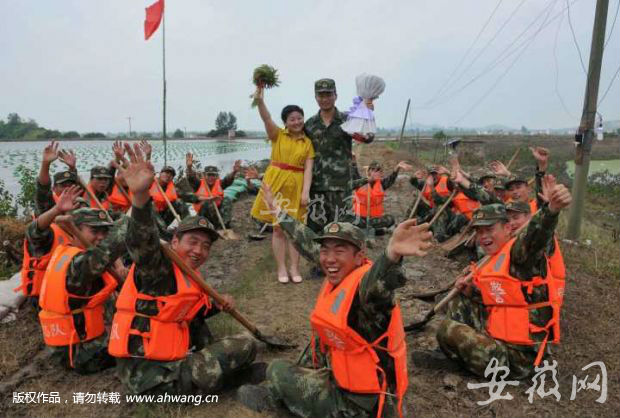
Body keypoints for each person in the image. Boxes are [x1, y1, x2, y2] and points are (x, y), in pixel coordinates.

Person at [237, 183, 432, 418]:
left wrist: (391, 256)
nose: (329, 259)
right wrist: (278, 212)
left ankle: (278, 401)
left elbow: (379, 283)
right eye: (325, 250)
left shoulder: (366, 291)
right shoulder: (340, 271)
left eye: (340, 251)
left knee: (277, 370)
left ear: (360, 257)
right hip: (356, 387)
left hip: (361, 407)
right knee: (321, 334)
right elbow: (308, 241)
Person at [109, 143, 258, 395]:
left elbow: (188, 307)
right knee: (246, 346)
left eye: (206, 246)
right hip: (152, 378)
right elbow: (141, 241)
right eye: (193, 242)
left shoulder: (186, 274)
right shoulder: (157, 268)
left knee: (237, 345)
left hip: (161, 364)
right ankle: (216, 382)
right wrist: (141, 198)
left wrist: (218, 304)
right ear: (175, 241)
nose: (199, 251)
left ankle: (213, 375)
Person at [436, 176, 571, 379]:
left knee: (446, 329)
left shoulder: (520, 254)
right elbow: (503, 299)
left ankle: (469, 363)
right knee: (462, 298)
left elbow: (537, 236)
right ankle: (464, 356)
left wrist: (550, 210)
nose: (483, 237)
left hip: (521, 359)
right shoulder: (496, 255)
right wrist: (470, 291)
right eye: (479, 231)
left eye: (489, 229)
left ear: (507, 228)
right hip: (502, 339)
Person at [37, 202, 127, 374]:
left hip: (65, 347)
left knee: (108, 296)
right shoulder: (78, 264)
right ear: (75, 230)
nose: (100, 237)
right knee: (143, 345)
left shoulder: (66, 253)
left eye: (104, 232)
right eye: (94, 231)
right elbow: (112, 247)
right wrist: (137, 208)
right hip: (82, 355)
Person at [249, 84, 315, 284]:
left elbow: (309, 169)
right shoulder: (278, 135)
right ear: (285, 122)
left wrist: (306, 192)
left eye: (299, 118)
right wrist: (260, 100)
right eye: (292, 119)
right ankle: (281, 268)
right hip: (275, 185)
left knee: (293, 229)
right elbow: (266, 118)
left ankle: (295, 267)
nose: (297, 122)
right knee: (278, 229)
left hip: (295, 187)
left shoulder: (308, 142)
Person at [304, 78, 374, 235]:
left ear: (336, 96)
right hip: (316, 187)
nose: (325, 99)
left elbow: (368, 138)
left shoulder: (347, 120)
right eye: (321, 95)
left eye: (328, 94)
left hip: (341, 186)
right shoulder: (309, 125)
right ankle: (319, 259)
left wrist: (367, 115)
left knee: (341, 230)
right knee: (316, 230)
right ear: (316, 97)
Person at [351, 160, 412, 233]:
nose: (378, 173)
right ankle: (376, 231)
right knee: (352, 221)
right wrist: (353, 160)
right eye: (375, 171)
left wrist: (398, 167)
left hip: (374, 219)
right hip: (359, 218)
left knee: (390, 219)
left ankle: (372, 230)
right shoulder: (360, 182)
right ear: (370, 171)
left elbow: (391, 178)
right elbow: (354, 173)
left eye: (379, 171)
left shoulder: (382, 184)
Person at [184, 156, 238, 228]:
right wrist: (189, 168)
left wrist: (234, 172)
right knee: (207, 203)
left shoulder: (220, 183)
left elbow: (228, 180)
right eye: (209, 175)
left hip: (216, 213)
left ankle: (224, 225)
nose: (211, 178)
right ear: (204, 175)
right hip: (202, 214)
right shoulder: (198, 184)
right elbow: (191, 178)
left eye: (213, 175)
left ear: (216, 176)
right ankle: (206, 226)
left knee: (227, 199)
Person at [35, 140, 80, 217]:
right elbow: (43, 187)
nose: (67, 189)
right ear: (54, 188)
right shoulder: (48, 203)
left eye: (70, 185)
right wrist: (46, 163)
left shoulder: (79, 202)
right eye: (63, 185)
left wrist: (72, 168)